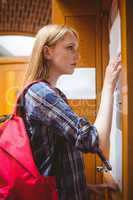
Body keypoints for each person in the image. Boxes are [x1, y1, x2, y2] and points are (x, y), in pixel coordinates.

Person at [21, 24, 121, 200]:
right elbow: (95, 141)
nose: (77, 55)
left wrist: (86, 188)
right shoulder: (41, 94)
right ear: (47, 52)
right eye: (70, 47)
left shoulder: (52, 93)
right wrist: (108, 85)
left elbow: (56, 157)